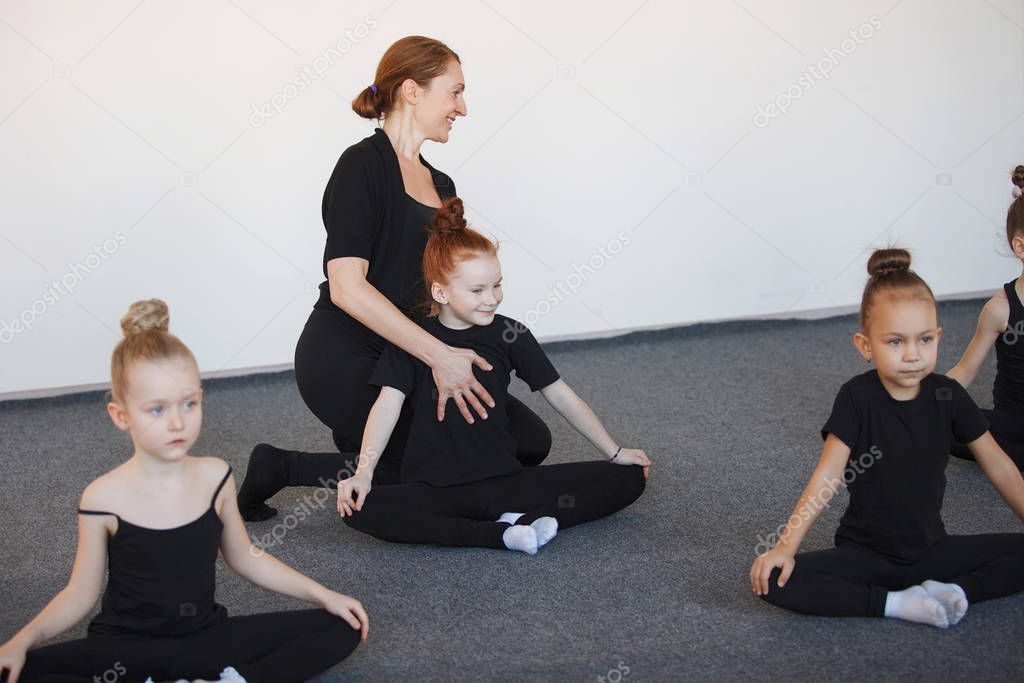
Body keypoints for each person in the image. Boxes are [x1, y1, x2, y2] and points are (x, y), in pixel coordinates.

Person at [238, 36, 551, 522]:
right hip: (345, 356)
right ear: (411, 90)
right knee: (440, 458)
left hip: (411, 356)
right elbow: (346, 286)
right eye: (455, 92)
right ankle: (280, 466)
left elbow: (446, 293)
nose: (463, 108)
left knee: (528, 443)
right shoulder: (362, 165)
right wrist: (440, 356)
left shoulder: (442, 186)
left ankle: (363, 451)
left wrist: (485, 347)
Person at [0, 300, 367, 683]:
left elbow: (246, 558)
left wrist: (325, 594)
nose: (177, 422)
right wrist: (22, 640)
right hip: (127, 650)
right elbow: (80, 594)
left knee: (343, 625)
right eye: (156, 410)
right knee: (16, 669)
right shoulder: (102, 498)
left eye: (188, 403)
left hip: (203, 639)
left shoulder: (215, 477)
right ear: (121, 416)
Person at [336, 198, 650, 554]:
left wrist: (614, 451)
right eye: (477, 290)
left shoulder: (510, 334)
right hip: (438, 489)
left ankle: (516, 519)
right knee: (356, 508)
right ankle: (500, 533)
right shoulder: (412, 340)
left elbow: (560, 394)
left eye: (497, 285)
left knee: (629, 478)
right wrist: (364, 472)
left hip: (504, 481)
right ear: (441, 291)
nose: (492, 299)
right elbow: (387, 407)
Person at [749, 249, 1024, 627]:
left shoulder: (948, 395)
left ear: (938, 336)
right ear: (866, 346)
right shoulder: (856, 398)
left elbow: (1000, 467)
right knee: (772, 582)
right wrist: (784, 547)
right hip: (866, 556)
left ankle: (958, 592)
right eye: (895, 342)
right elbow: (826, 479)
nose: (912, 355)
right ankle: (895, 603)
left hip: (933, 551)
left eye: (924, 340)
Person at [947, 165, 1024, 468]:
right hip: (1013, 421)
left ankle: (1002, 458)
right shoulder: (1001, 308)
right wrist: (920, 400)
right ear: (1020, 246)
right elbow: (964, 371)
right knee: (950, 425)